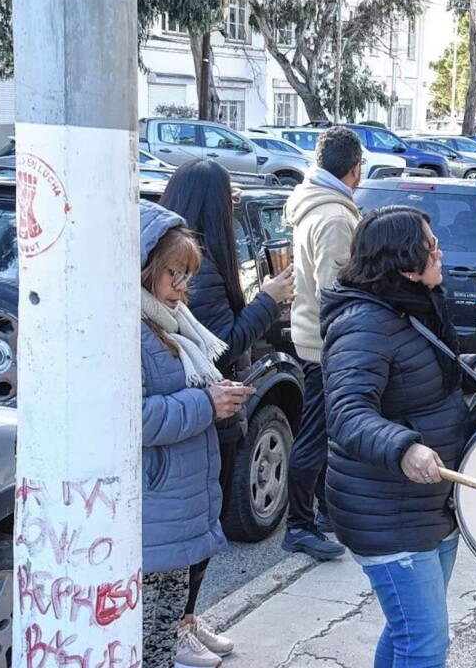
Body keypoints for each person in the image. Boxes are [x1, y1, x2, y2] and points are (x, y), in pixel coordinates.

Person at [319, 205, 476, 666]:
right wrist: (403, 446)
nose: (440, 252)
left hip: (425, 506)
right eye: (430, 247)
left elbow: (421, 375)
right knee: (425, 641)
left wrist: (474, 371)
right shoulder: (363, 324)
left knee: (409, 630)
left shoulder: (406, 308)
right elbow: (347, 413)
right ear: (404, 264)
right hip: (387, 511)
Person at [160, 159, 296, 666]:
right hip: (206, 409)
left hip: (205, 409)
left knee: (196, 527)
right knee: (191, 530)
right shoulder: (201, 267)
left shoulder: (185, 259)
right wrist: (268, 300)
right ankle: (176, 631)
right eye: (230, 200)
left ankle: (186, 623)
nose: (234, 208)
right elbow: (222, 346)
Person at [139, 201, 254, 667]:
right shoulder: (127, 327)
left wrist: (213, 396)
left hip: (172, 510)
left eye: (188, 276)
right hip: (154, 512)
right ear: (144, 268)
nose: (183, 290)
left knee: (162, 636)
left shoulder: (167, 324)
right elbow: (135, 419)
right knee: (149, 643)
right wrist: (207, 403)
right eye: (174, 275)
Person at [282, 126, 365, 560]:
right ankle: (298, 525)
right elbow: (336, 291)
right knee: (316, 434)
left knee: (323, 430)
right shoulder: (333, 217)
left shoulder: (320, 205)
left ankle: (321, 512)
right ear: (354, 170)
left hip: (314, 334)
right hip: (324, 341)